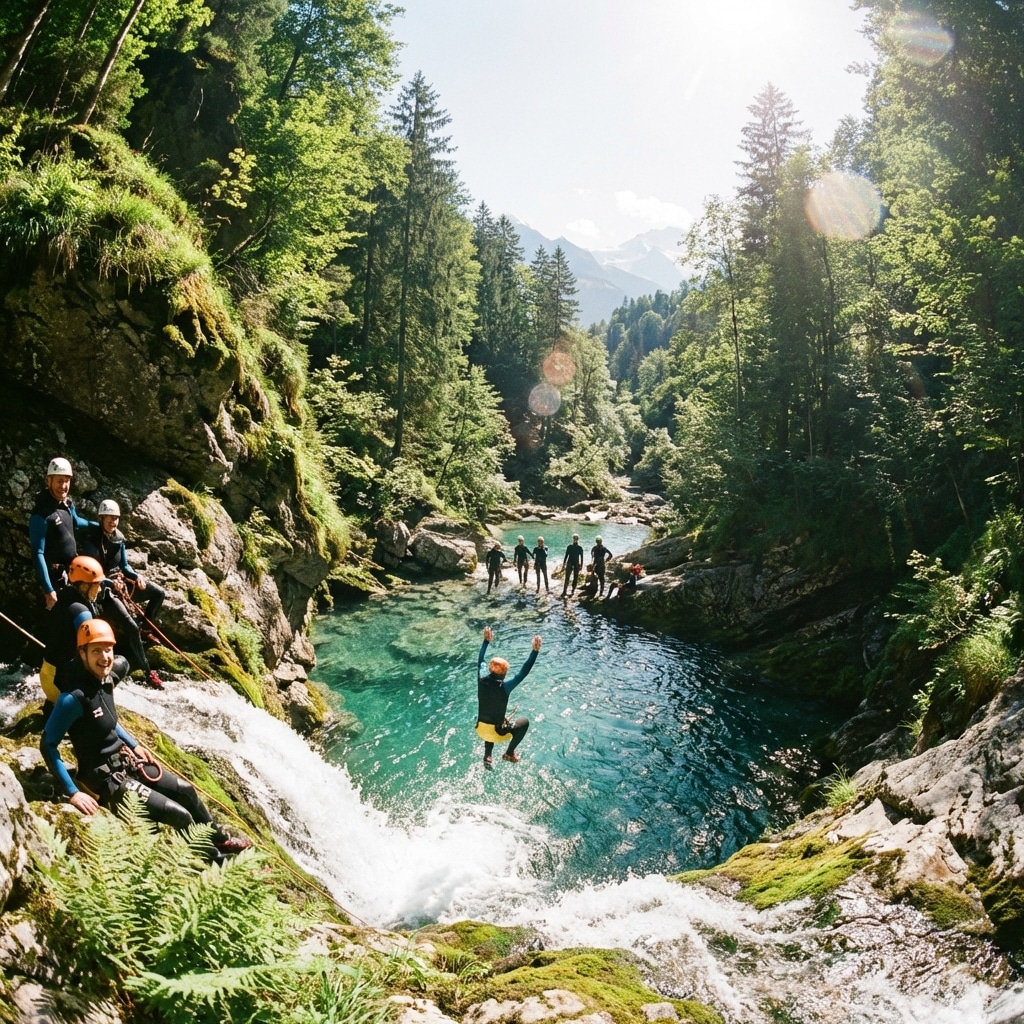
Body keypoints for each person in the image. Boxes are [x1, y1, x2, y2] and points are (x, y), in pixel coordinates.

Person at [40, 618, 251, 861]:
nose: (104, 657)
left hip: (125, 761)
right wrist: (73, 792)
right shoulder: (72, 698)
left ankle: (219, 838)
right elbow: (48, 744)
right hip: (106, 779)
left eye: (108, 650)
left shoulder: (105, 681)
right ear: (82, 653)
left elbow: (108, 722)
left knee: (186, 790)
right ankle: (216, 861)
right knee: (179, 815)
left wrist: (134, 744)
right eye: (96, 651)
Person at [81, 499, 165, 689]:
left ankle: (146, 630)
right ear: (101, 519)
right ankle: (148, 672)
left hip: (122, 582)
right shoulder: (92, 542)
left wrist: (137, 577)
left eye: (116, 518)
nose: (113, 522)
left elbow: (125, 566)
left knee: (158, 593)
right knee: (131, 626)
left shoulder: (118, 539)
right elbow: (93, 573)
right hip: (106, 591)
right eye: (110, 518)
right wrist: (111, 583)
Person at [28, 457, 96, 610]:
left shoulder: (66, 505)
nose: (64, 486)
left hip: (71, 572)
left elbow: (76, 522)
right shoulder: (41, 515)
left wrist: (98, 526)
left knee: (92, 607)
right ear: (49, 480)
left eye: (67, 481)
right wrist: (48, 590)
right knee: (81, 613)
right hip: (55, 579)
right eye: (59, 481)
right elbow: (38, 553)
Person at [40, 555, 104, 704]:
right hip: (60, 686)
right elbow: (91, 653)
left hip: (47, 675)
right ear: (84, 586)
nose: (100, 589)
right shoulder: (83, 613)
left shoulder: (63, 596)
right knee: (120, 664)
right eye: (96, 585)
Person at [475, 626, 542, 768]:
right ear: (505, 674)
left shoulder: (481, 679)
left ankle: (487, 755)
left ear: (489, 669)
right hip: (497, 732)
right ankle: (509, 752)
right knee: (524, 722)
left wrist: (486, 641)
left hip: (480, 729)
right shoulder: (505, 687)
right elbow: (523, 672)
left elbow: (480, 661)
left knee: (490, 716)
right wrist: (535, 651)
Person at [561, 533, 585, 598]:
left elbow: (582, 558)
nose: (575, 540)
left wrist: (581, 566)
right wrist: (563, 564)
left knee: (575, 578)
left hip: (576, 564)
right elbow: (566, 556)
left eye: (576, 539)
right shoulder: (569, 547)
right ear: (573, 539)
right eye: (574, 538)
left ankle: (573, 590)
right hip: (569, 563)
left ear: (578, 539)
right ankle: (564, 591)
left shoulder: (580, 548)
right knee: (567, 577)